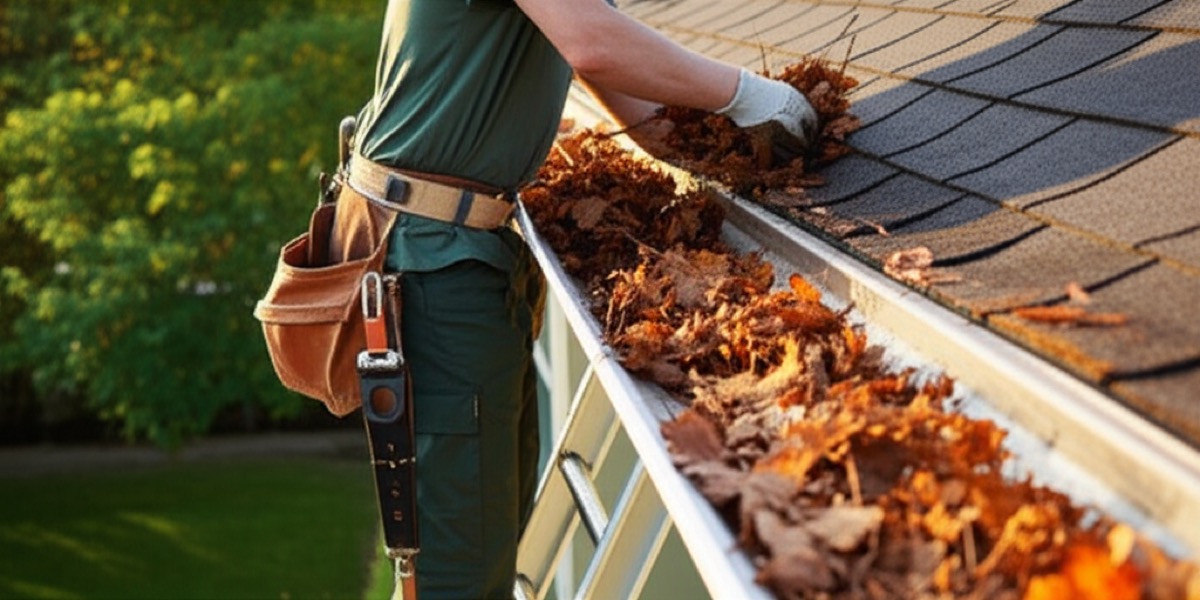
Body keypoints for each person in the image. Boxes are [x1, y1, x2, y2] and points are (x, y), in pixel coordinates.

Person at [333, 1, 819, 598]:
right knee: (457, 573)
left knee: (494, 532)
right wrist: (747, 94)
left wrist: (731, 144)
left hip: (466, 251)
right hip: (435, 263)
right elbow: (594, 45)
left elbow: (636, 104)